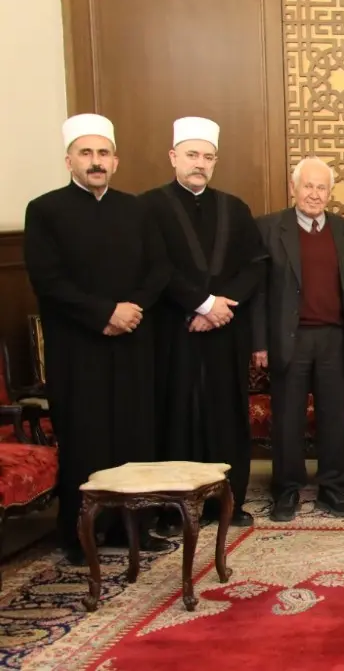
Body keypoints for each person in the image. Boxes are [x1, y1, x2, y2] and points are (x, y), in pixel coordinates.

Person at [24, 114, 172, 563]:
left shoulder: (137, 209)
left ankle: (135, 528)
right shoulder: (45, 210)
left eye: (103, 153)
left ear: (115, 161)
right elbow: (48, 279)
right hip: (78, 347)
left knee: (134, 436)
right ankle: (80, 534)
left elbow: (159, 268)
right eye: (86, 153)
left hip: (132, 342)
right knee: (85, 439)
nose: (95, 161)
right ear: (68, 159)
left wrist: (131, 309)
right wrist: (104, 313)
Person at [143, 117, 266, 530]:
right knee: (176, 415)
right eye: (192, 155)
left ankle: (226, 502)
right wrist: (201, 304)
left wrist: (219, 308)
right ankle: (173, 507)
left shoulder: (234, 208)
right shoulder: (149, 207)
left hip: (225, 332)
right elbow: (155, 267)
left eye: (208, 157)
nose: (200, 163)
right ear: (173, 156)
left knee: (225, 415)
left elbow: (256, 265)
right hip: (174, 331)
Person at [251, 157, 344, 522]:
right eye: (308, 186)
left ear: (330, 192)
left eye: (321, 187)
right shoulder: (269, 228)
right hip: (289, 338)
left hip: (334, 338)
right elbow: (258, 292)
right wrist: (259, 343)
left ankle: (333, 490)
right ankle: (287, 491)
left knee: (335, 419)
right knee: (288, 419)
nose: (314, 194)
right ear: (293, 188)